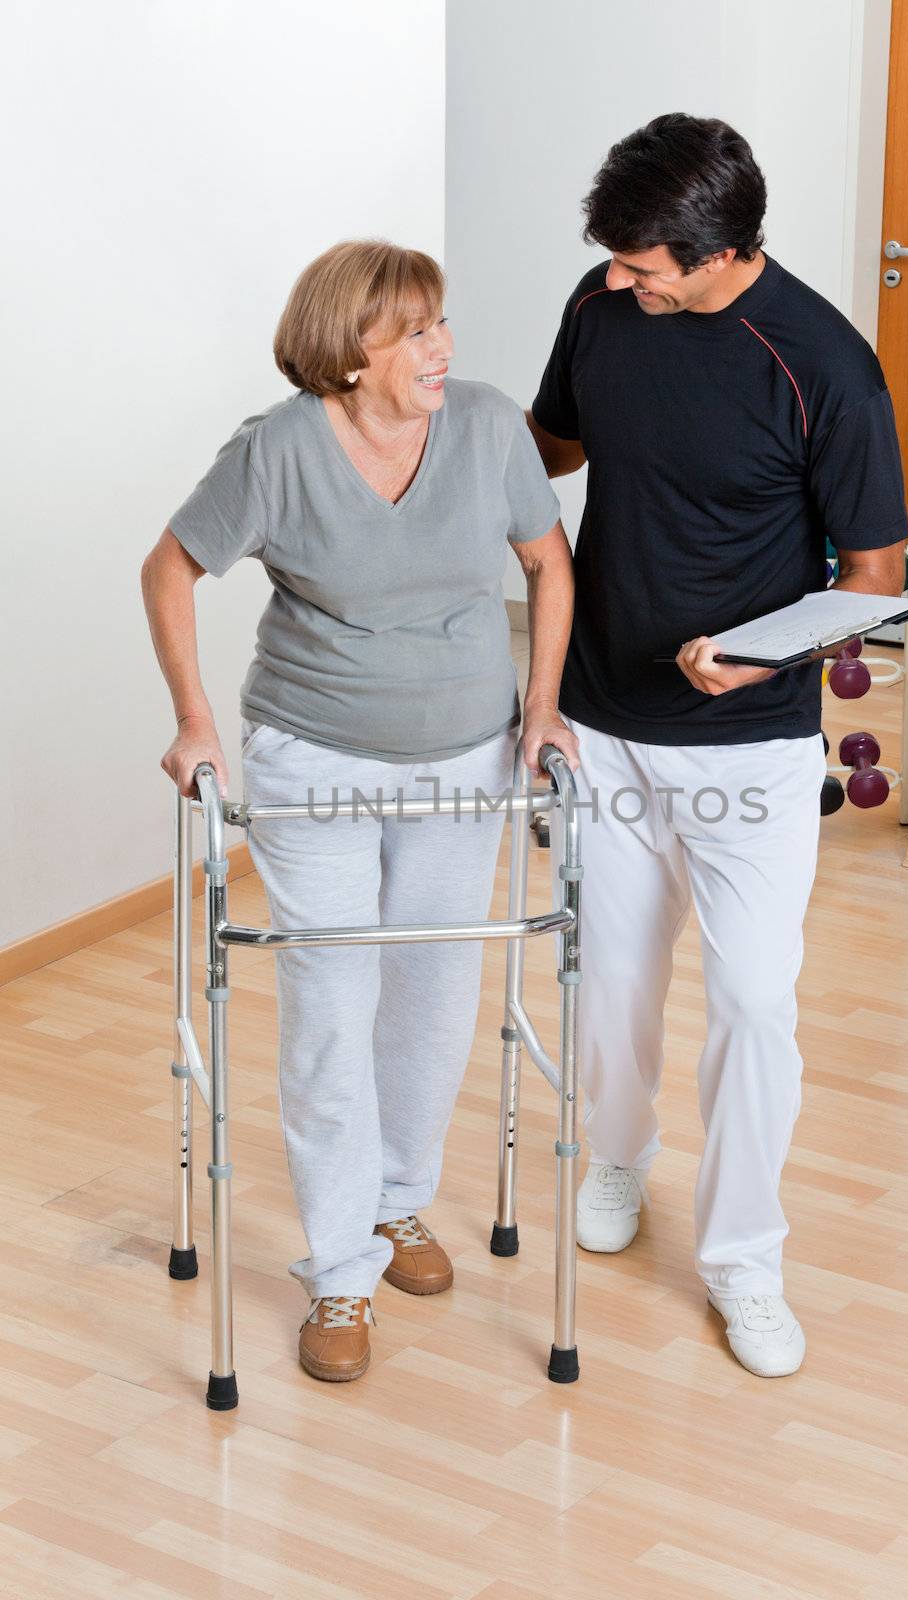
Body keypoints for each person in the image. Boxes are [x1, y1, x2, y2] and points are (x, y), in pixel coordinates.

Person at [142, 240, 578, 1383]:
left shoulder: (486, 427)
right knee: (332, 1001)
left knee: (433, 993)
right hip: (312, 754)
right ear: (349, 355)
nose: (442, 347)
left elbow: (549, 562)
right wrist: (195, 719)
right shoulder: (278, 450)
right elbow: (171, 568)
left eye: (441, 323)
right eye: (415, 331)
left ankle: (398, 1206)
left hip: (463, 758)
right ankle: (338, 1272)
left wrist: (541, 708)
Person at [527, 115, 908, 1377]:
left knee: (751, 997)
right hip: (601, 715)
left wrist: (765, 651)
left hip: (746, 739)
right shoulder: (601, 304)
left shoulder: (824, 369)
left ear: (715, 252)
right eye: (617, 266)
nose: (618, 284)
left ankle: (744, 1256)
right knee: (615, 980)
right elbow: (558, 445)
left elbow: (872, 579)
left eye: (643, 268)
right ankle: (617, 1163)